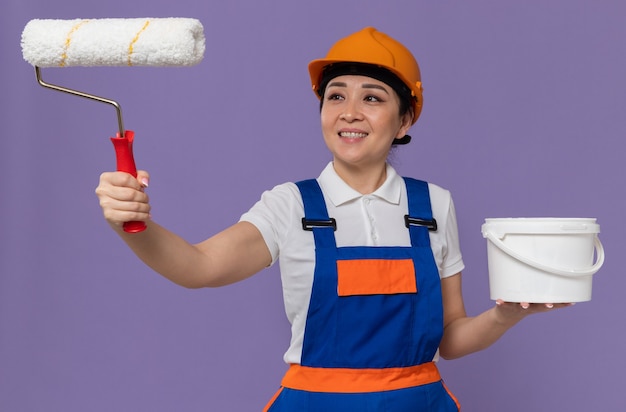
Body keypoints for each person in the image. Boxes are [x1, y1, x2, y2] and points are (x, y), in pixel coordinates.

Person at [95, 27, 570, 411]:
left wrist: (506, 316)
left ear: (405, 121)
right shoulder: (290, 205)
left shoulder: (433, 207)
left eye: (373, 98)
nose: (349, 113)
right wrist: (132, 223)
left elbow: (450, 338)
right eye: (336, 96)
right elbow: (198, 267)